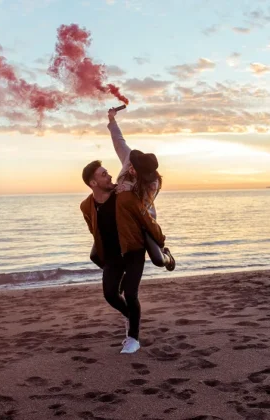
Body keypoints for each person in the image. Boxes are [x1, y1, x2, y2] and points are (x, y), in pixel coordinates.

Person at [80, 160, 166, 354]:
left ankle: (133, 339)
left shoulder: (124, 196)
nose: (110, 175)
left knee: (130, 293)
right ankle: (131, 315)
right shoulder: (86, 206)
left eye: (107, 172)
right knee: (110, 294)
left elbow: (146, 219)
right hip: (112, 255)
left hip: (133, 250)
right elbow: (93, 229)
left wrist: (161, 242)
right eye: (103, 174)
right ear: (93, 183)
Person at [107, 107, 175, 271]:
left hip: (143, 220)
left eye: (135, 169)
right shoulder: (129, 158)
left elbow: (140, 208)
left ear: (144, 174)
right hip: (122, 216)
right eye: (132, 165)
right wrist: (111, 119)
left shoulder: (152, 184)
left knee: (158, 260)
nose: (131, 169)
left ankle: (167, 256)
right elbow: (118, 141)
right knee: (104, 253)